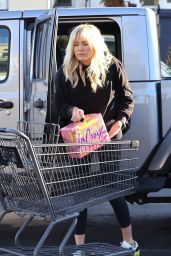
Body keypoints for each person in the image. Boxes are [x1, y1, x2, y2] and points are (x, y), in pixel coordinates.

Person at [46, 24, 140, 256]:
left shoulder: (111, 66)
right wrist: (72, 111)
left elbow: (127, 99)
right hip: (80, 137)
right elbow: (59, 104)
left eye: (85, 43)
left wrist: (120, 122)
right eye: (76, 44)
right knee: (81, 190)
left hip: (108, 134)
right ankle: (80, 249)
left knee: (111, 188)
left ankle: (130, 242)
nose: (80, 48)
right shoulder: (65, 71)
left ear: (95, 45)